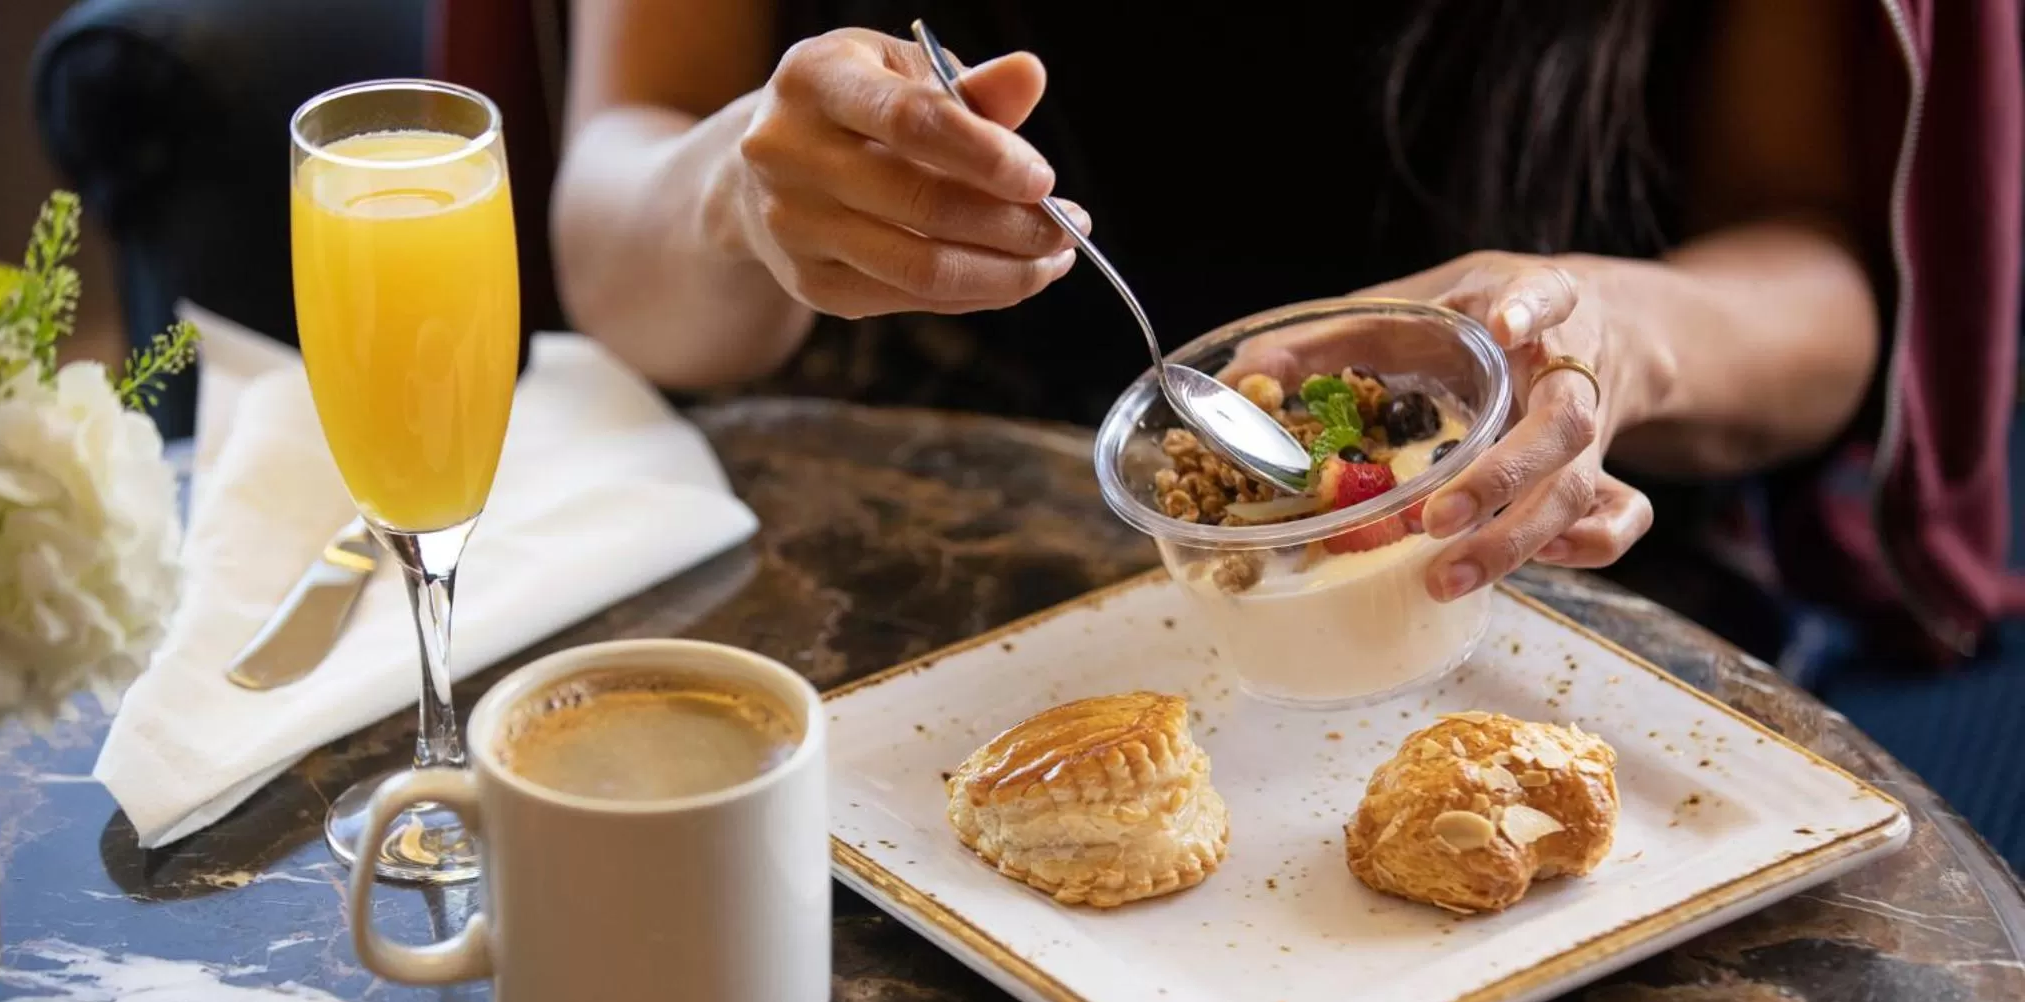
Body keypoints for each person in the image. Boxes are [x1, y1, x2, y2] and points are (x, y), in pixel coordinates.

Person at [551, 1, 2021, 661]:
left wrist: (1617, 331)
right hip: (885, 541)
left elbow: (1824, 289)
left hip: (1500, 579)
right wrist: (737, 199)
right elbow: (610, 238)